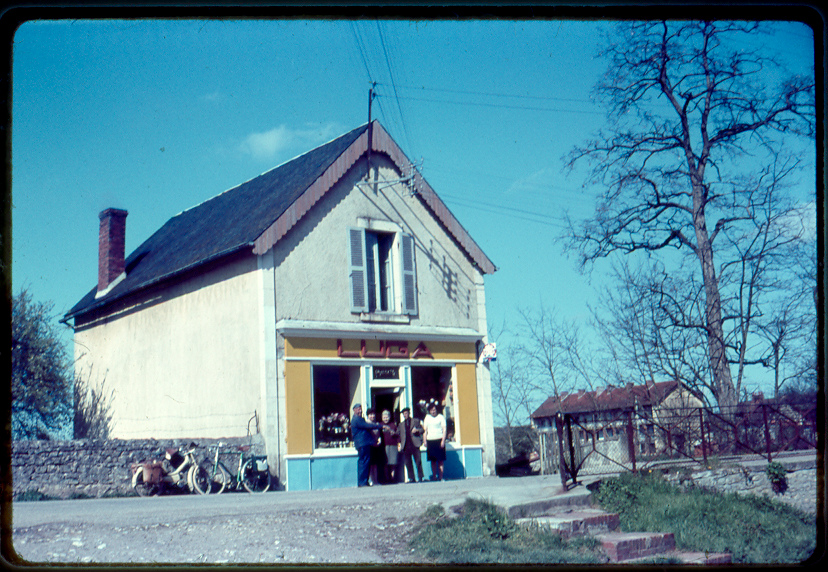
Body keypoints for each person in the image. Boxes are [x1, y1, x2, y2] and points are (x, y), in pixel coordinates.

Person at [350, 403, 383, 487]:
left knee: (365, 463)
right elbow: (367, 426)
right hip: (362, 444)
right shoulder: (356, 419)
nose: (360, 411)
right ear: (354, 410)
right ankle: (362, 482)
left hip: (364, 444)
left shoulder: (360, 419)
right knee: (363, 463)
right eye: (358, 409)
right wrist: (380, 426)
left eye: (360, 409)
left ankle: (364, 481)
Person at [397, 406, 425, 483]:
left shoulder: (415, 421)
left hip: (414, 444)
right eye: (404, 414)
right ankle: (411, 478)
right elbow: (398, 433)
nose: (405, 415)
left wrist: (417, 430)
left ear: (409, 413)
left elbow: (422, 430)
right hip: (406, 446)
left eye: (406, 413)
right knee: (408, 463)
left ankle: (420, 477)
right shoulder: (401, 424)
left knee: (418, 461)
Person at [423, 402, 447, 481]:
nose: (433, 411)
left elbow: (444, 429)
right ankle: (434, 477)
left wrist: (443, 440)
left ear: (437, 410)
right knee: (433, 460)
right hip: (430, 440)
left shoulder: (441, 417)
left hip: (439, 439)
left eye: (434, 410)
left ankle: (441, 477)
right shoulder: (427, 418)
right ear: (429, 411)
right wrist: (425, 441)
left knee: (440, 460)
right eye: (431, 410)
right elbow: (425, 430)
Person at [366, 408, 385, 485]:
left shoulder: (377, 424)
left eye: (373, 414)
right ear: (368, 415)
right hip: (370, 446)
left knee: (375, 464)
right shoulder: (366, 423)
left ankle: (376, 480)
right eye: (370, 414)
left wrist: (379, 439)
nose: (372, 416)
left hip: (377, 446)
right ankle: (371, 480)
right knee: (371, 464)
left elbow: (379, 434)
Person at [380, 410, 399, 483]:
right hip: (384, 446)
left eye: (387, 417)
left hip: (393, 446)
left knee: (393, 463)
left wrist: (398, 442)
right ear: (382, 418)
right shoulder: (380, 425)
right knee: (386, 463)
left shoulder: (393, 425)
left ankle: (392, 478)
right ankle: (386, 478)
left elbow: (398, 435)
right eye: (384, 417)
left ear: (389, 417)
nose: (385, 419)